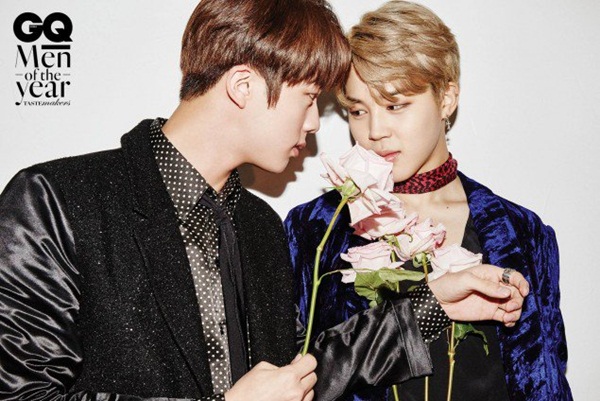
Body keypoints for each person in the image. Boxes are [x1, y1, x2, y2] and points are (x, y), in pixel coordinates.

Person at [0, 1, 528, 400]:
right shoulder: (55, 201)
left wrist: (432, 306)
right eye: (309, 99)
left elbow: (306, 375)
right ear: (244, 86)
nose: (314, 124)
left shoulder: (260, 226)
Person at [285, 1, 571, 400]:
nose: (375, 130)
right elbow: (294, 378)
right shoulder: (316, 229)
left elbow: (546, 382)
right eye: (358, 110)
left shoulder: (522, 233)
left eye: (395, 105)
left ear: (446, 98)